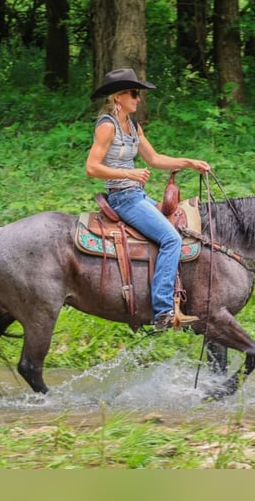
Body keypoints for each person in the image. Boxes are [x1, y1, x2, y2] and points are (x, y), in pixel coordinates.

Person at [86, 68, 210, 331]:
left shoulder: (133, 126)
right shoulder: (107, 126)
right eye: (133, 93)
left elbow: (154, 159)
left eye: (138, 93)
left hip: (137, 195)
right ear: (118, 97)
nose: (138, 98)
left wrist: (189, 162)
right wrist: (129, 173)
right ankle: (163, 310)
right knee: (171, 238)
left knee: (181, 226)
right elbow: (92, 167)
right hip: (123, 198)